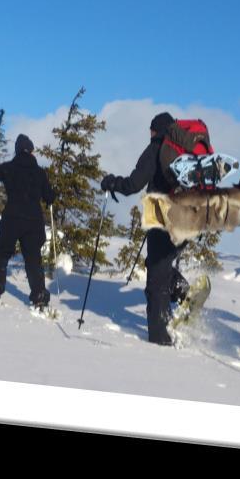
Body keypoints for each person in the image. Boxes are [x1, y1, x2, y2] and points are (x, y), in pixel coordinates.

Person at [100, 112, 190, 346]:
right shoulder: (185, 151)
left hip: (163, 221)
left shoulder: (155, 150)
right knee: (159, 265)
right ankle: (181, 290)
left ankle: (161, 341)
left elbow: (132, 185)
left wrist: (112, 182)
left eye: (150, 130)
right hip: (188, 221)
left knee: (155, 285)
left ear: (155, 130)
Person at [0, 134, 56, 308]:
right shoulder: (39, 172)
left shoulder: (9, 167)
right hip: (33, 221)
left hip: (12, 219)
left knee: (2, 254)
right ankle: (39, 297)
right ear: (31, 150)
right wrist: (50, 196)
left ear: (17, 150)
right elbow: (49, 196)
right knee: (33, 260)